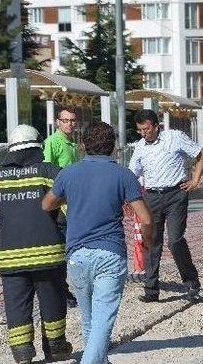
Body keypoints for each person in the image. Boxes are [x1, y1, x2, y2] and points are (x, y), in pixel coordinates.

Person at [42, 121, 153, 364]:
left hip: (77, 256)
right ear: (112, 147)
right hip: (110, 254)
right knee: (102, 321)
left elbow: (46, 204)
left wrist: (70, 198)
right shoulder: (124, 175)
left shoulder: (68, 173)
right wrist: (147, 241)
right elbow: (144, 218)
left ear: (82, 145)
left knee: (90, 320)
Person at [0, 125, 72, 364]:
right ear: (37, 146)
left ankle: (22, 352)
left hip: (11, 259)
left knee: (17, 306)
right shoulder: (49, 172)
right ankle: (56, 348)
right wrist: (61, 227)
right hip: (48, 256)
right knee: (53, 301)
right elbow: (68, 205)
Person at [128, 109, 203, 303]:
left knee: (175, 240)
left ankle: (191, 282)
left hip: (176, 194)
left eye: (146, 129)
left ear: (156, 126)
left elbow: (201, 154)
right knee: (151, 243)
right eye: (140, 130)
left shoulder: (174, 137)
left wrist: (195, 180)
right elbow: (132, 173)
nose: (143, 133)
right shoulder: (140, 147)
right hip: (152, 197)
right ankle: (151, 290)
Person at [43, 104, 80, 308]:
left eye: (72, 120)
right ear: (58, 122)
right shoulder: (52, 142)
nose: (69, 124)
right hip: (59, 207)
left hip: (72, 205)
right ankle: (61, 291)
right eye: (65, 120)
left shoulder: (73, 144)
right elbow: (47, 173)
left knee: (70, 249)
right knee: (62, 250)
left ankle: (65, 289)